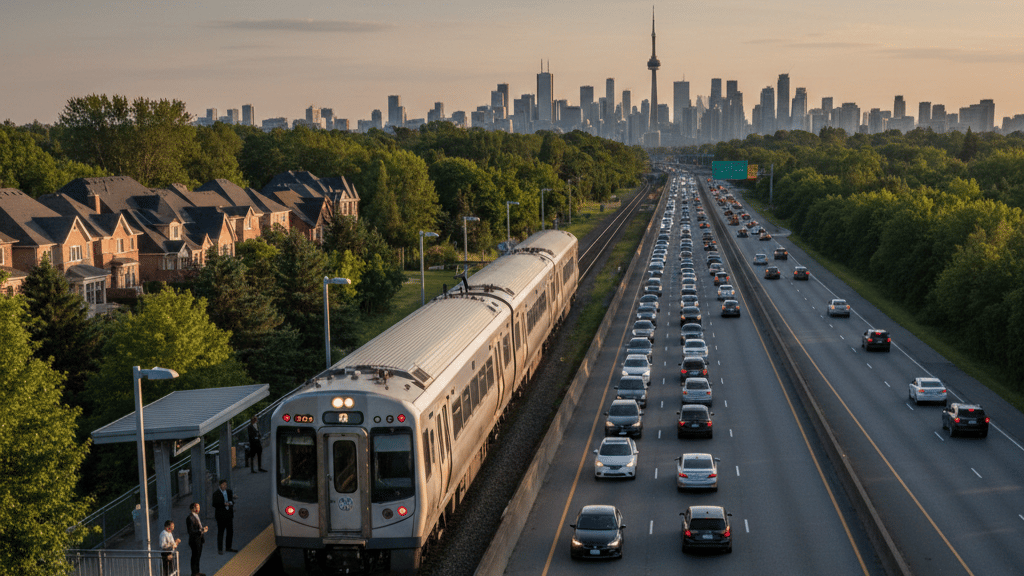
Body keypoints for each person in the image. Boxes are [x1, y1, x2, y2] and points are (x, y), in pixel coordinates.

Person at [212, 479, 237, 554]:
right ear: (220, 485)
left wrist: (231, 503)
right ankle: (220, 549)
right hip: (221, 516)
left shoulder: (229, 492)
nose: (225, 486)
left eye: (225, 485)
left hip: (229, 515)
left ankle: (228, 547)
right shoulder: (216, 494)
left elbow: (232, 500)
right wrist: (224, 504)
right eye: (223, 485)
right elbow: (214, 504)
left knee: (230, 532)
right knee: (221, 532)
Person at [185, 502, 208, 576]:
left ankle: (197, 571)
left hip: (199, 539)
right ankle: (194, 572)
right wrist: (201, 531)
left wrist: (203, 529)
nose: (198, 509)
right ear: (193, 508)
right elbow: (191, 531)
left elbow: (197, 527)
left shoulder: (196, 516)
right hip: (194, 540)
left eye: (199, 507)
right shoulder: (190, 518)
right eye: (197, 507)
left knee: (198, 556)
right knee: (195, 556)